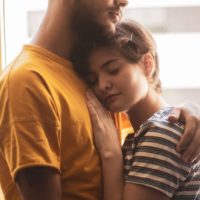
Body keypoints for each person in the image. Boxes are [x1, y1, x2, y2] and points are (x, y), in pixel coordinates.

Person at [0, 0, 200, 200]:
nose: (124, 2)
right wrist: (111, 155)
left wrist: (184, 112)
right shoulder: (27, 81)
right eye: (95, 79)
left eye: (112, 70)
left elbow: (158, 132)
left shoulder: (85, 76)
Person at [72, 20, 200, 200]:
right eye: (93, 80)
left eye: (113, 69)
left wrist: (111, 154)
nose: (102, 85)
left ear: (147, 64)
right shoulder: (145, 133)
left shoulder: (163, 132)